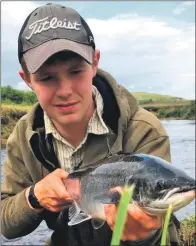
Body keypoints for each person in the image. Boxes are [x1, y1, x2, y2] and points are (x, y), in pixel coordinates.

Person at [1, 3, 180, 246]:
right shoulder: (23, 137)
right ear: (27, 80)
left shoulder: (144, 131)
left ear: (95, 63)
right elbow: (6, 224)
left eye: (76, 72)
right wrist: (34, 197)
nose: (65, 91)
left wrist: (146, 235)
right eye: (46, 78)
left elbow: (165, 228)